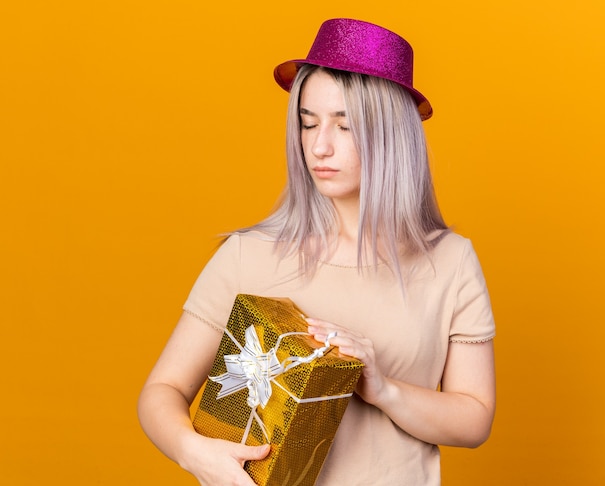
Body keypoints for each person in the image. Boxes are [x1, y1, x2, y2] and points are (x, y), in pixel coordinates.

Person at [138, 18, 496, 486]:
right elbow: (162, 391)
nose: (319, 146)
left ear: (392, 135)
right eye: (308, 123)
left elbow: (474, 419)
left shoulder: (450, 261)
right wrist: (195, 454)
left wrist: (383, 388)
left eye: (345, 127)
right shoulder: (249, 255)